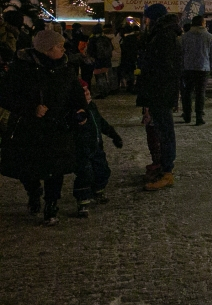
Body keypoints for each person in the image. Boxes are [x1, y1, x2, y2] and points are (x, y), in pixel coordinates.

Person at [0, 29, 87, 225]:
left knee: (54, 169)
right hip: (28, 128)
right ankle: (33, 191)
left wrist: (81, 111)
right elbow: (5, 96)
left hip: (57, 126)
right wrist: (30, 109)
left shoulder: (65, 67)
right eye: (58, 45)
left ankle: (51, 205)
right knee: (27, 168)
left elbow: (76, 95)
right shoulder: (22, 69)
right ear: (46, 49)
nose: (63, 49)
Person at [136, 3, 182, 190]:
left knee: (165, 131)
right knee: (161, 130)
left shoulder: (164, 37)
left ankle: (167, 172)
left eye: (147, 18)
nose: (145, 21)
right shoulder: (161, 35)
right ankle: (163, 167)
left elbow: (165, 67)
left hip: (160, 91)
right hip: (159, 90)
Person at [72, 79, 122, 218]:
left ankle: (98, 190)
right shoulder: (76, 111)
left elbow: (101, 123)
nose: (87, 93)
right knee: (85, 173)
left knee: (103, 170)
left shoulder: (92, 107)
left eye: (88, 90)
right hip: (82, 149)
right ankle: (82, 201)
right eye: (84, 91)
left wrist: (114, 135)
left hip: (96, 147)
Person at [180, 15, 212, 125]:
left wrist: (182, 65)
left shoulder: (185, 37)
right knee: (200, 93)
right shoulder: (209, 37)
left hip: (188, 68)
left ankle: (187, 115)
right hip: (203, 68)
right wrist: (211, 66)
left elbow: (181, 53)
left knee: (187, 92)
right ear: (202, 23)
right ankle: (199, 116)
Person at [119, 23, 141, 92]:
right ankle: (131, 85)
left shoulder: (126, 39)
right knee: (131, 72)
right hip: (132, 57)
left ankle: (129, 85)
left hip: (127, 58)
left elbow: (124, 49)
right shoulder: (134, 38)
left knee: (128, 72)